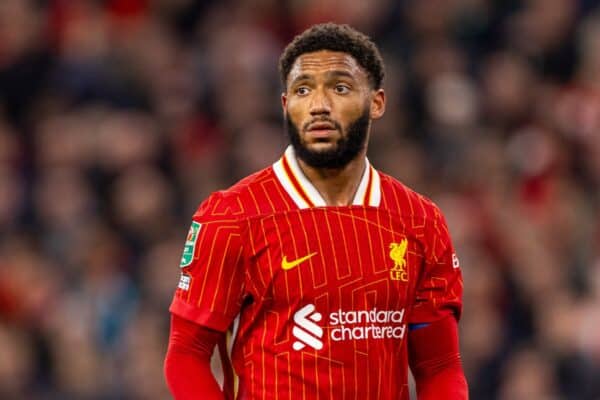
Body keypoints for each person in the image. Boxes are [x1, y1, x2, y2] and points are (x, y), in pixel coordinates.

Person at [164, 23, 468, 400]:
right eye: (303, 89)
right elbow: (186, 356)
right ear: (285, 104)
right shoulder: (232, 215)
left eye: (340, 88)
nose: (319, 105)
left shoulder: (420, 220)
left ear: (377, 102)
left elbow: (439, 367)